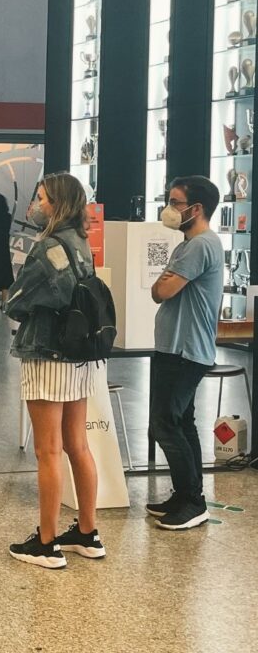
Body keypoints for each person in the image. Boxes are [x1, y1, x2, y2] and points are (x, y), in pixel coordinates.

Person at [4, 173, 105, 568]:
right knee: (77, 445)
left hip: (48, 353)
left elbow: (18, 299)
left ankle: (46, 543)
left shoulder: (48, 247)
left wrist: (17, 301)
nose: (36, 202)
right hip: (79, 355)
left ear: (57, 204)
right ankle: (86, 531)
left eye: (41, 197)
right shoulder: (81, 243)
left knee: (48, 450)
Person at [147, 176, 223, 531]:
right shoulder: (187, 245)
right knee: (180, 422)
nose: (170, 208)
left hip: (184, 349)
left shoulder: (198, 246)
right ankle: (187, 495)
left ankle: (192, 501)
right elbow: (161, 287)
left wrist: (164, 281)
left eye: (176, 202)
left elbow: (162, 291)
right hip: (177, 347)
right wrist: (164, 281)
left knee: (164, 424)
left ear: (197, 209)